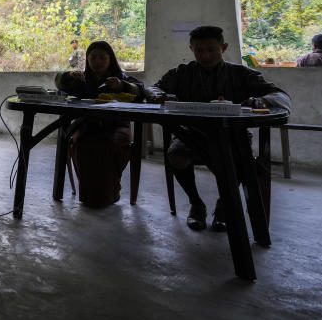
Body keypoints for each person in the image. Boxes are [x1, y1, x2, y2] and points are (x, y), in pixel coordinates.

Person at [144, 25, 291, 232]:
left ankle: (224, 206)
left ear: (224, 47)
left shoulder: (240, 73)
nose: (205, 56)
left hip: (233, 136)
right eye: (198, 51)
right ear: (191, 49)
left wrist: (262, 101)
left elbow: (281, 96)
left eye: (211, 50)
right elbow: (152, 87)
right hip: (191, 134)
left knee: (240, 161)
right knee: (175, 156)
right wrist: (158, 96)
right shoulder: (182, 73)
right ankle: (196, 204)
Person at [54, 41, 144, 207]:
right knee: (81, 143)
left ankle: (109, 192)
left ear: (110, 59)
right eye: (93, 57)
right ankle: (91, 194)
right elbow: (59, 83)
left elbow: (139, 90)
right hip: (86, 126)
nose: (97, 61)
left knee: (110, 145)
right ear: (87, 59)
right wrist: (69, 76)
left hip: (117, 127)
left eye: (102, 57)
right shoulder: (80, 78)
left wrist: (121, 86)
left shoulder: (120, 78)